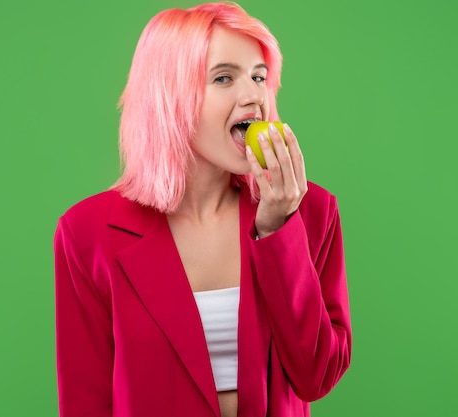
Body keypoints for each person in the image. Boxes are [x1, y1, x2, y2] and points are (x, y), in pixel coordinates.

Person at [53, 2, 352, 416]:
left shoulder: (310, 211)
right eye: (224, 77)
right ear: (170, 98)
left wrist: (277, 231)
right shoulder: (86, 233)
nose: (253, 96)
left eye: (259, 77)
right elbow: (85, 402)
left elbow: (316, 376)